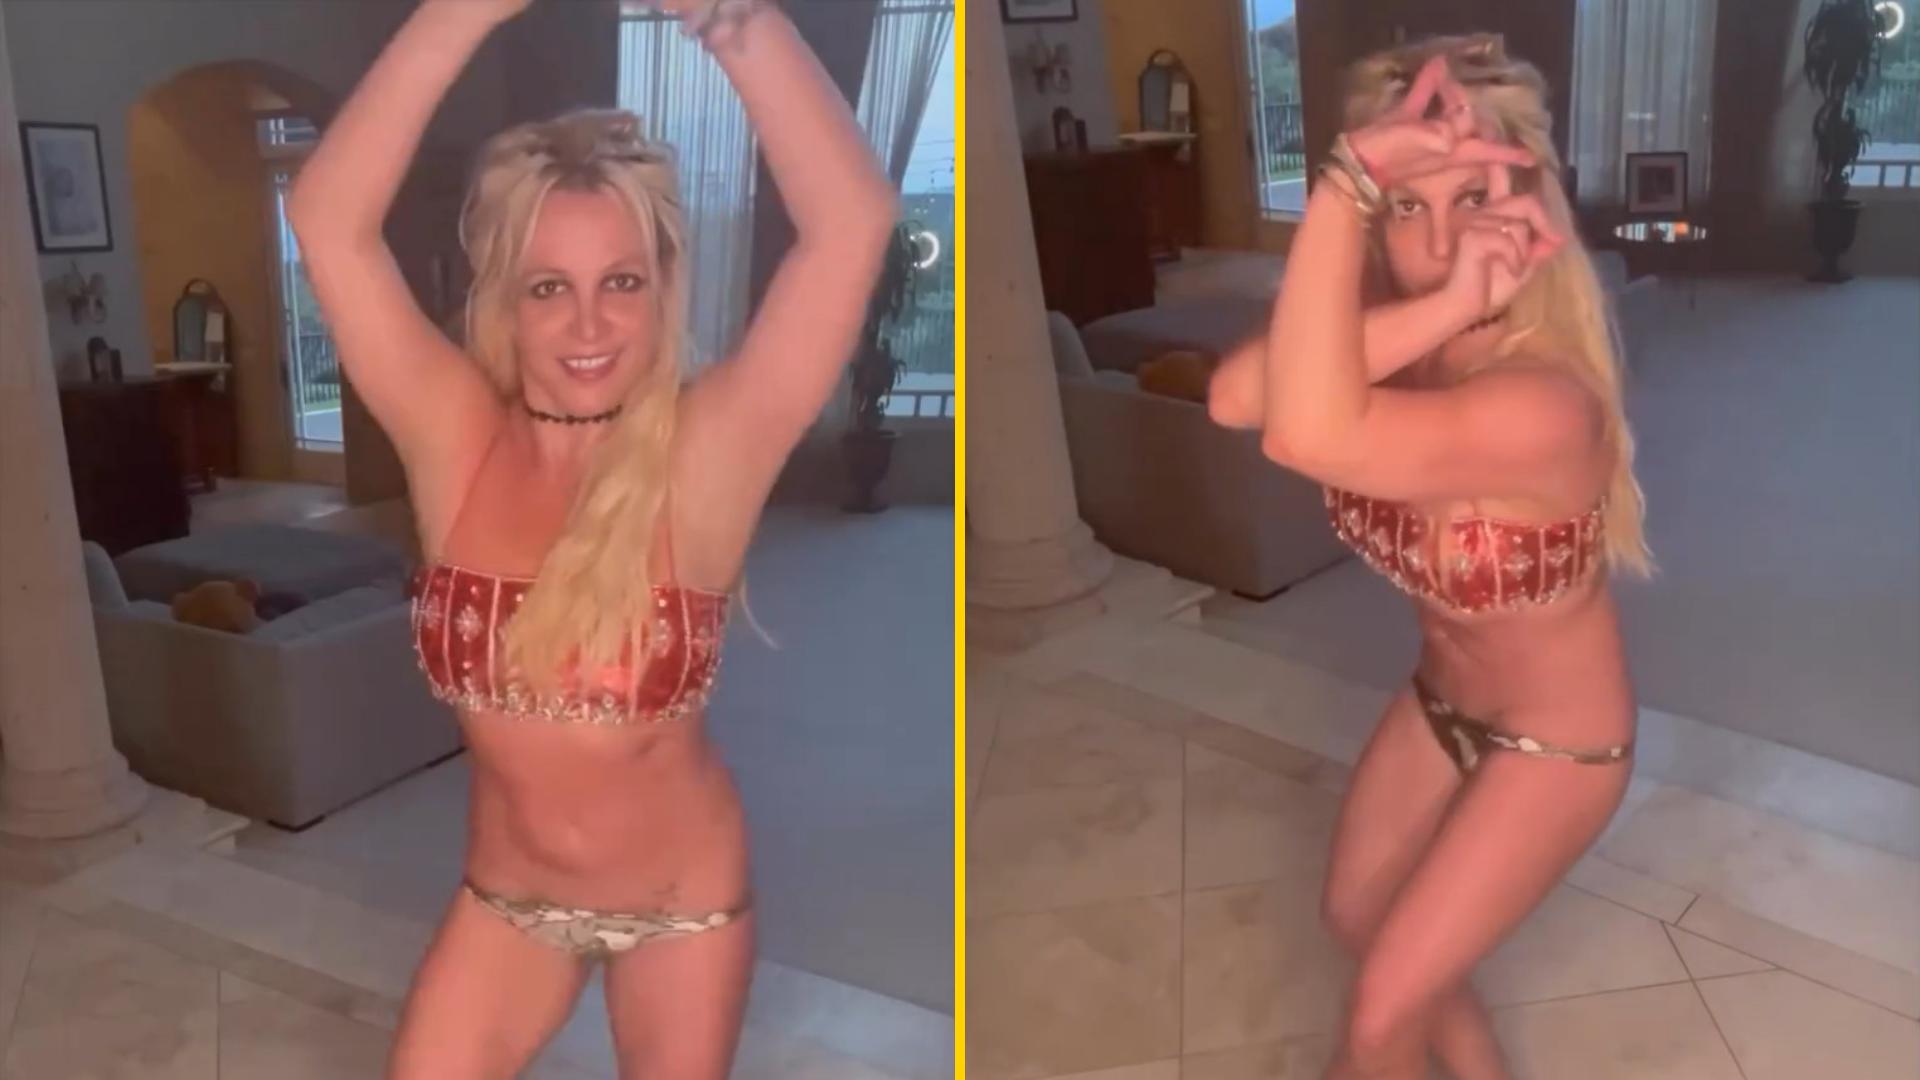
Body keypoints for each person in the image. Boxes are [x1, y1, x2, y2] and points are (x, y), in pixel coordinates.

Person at [287, 0, 896, 1075]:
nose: (587, 325)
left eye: (622, 282)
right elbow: (328, 219)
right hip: (507, 902)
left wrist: (739, 22)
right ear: (506, 300)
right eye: (549, 288)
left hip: (678, 910)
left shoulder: (710, 450)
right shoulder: (454, 437)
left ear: (663, 288)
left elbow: (851, 222)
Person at [1208, 35, 1653, 1080]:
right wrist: (1442, 301)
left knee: (1378, 1020)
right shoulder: (1405, 340)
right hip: (1441, 700)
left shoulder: (1544, 404)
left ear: (1529, 207)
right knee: (1358, 920)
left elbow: (1302, 432)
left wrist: (1346, 183)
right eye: (1409, 204)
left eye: (1473, 198)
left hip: (1559, 743)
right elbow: (1234, 396)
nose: (1442, 240)